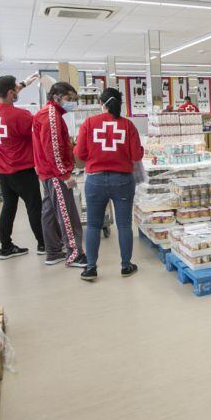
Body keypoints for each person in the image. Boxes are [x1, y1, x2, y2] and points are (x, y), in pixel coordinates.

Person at [73, 88, 145, 282]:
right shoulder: (128, 125)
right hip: (122, 180)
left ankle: (90, 268)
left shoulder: (89, 123)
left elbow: (79, 153)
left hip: (95, 180)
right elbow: (136, 156)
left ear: (101, 102)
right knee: (123, 225)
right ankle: (126, 265)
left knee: (94, 226)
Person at [0, 74, 45, 260]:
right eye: (15, 89)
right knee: (34, 207)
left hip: (2, 170)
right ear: (11, 93)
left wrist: (25, 84)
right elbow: (41, 125)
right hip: (22, 170)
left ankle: (6, 247)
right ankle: (44, 244)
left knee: (9, 207)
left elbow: (8, 93)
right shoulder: (20, 116)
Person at [32, 81, 87, 268]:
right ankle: (75, 255)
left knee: (49, 211)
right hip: (55, 174)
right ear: (56, 97)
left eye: (73, 99)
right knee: (67, 213)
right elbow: (53, 149)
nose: (71, 102)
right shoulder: (51, 117)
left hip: (47, 173)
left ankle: (53, 251)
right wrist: (64, 174)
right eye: (68, 99)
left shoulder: (48, 114)